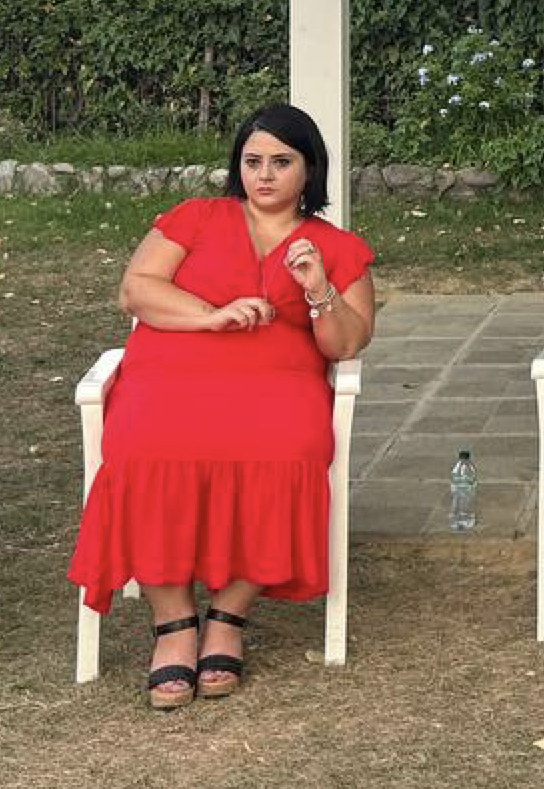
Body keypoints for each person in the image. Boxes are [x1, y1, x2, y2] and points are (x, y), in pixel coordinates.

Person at [65, 104, 376, 710]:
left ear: (309, 169)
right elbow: (137, 290)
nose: (265, 175)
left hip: (279, 383)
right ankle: (174, 622)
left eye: (281, 162)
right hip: (171, 372)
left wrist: (319, 289)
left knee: (289, 454)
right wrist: (211, 316)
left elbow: (346, 343)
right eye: (253, 161)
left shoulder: (335, 246)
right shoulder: (197, 217)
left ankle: (229, 615)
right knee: (143, 451)